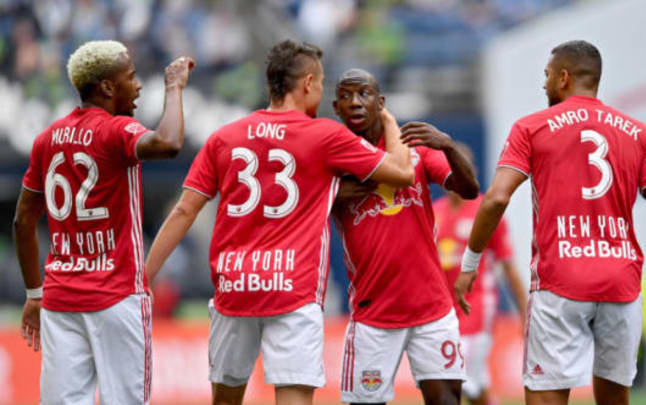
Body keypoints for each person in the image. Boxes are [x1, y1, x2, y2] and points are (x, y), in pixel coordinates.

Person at [143, 40, 415, 405]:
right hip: (293, 290)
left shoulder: (225, 137)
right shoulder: (325, 136)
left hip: (234, 288)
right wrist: (390, 124)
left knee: (225, 400)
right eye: (319, 84)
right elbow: (401, 172)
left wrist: (142, 278)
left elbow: (183, 211)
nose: (320, 92)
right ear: (306, 83)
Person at [455, 40, 646, 405]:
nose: (543, 84)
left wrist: (470, 265)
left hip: (560, 281)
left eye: (546, 76)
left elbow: (496, 197)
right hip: (620, 284)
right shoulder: (638, 133)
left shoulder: (530, 128)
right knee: (613, 398)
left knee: (546, 396)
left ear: (563, 78)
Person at [13, 40, 194, 404]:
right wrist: (173, 88)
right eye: (131, 76)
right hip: (117, 297)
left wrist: (34, 294)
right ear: (108, 87)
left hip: (60, 300)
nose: (139, 85)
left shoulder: (46, 140)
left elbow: (22, 221)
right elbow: (170, 142)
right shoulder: (116, 131)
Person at [331, 68, 479, 405]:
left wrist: (448, 146)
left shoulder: (417, 151)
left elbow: (469, 190)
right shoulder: (332, 162)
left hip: (432, 308)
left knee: (447, 402)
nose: (355, 102)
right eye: (346, 95)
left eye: (364, 94)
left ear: (380, 102)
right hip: (374, 313)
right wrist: (340, 188)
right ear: (335, 107)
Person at [433, 143, 526, 405]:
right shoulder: (435, 212)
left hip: (475, 311)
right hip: (443, 314)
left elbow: (508, 267)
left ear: (469, 171)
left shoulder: (486, 210)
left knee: (452, 384)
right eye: (445, 169)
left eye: (457, 168)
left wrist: (524, 313)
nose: (450, 174)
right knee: (477, 390)